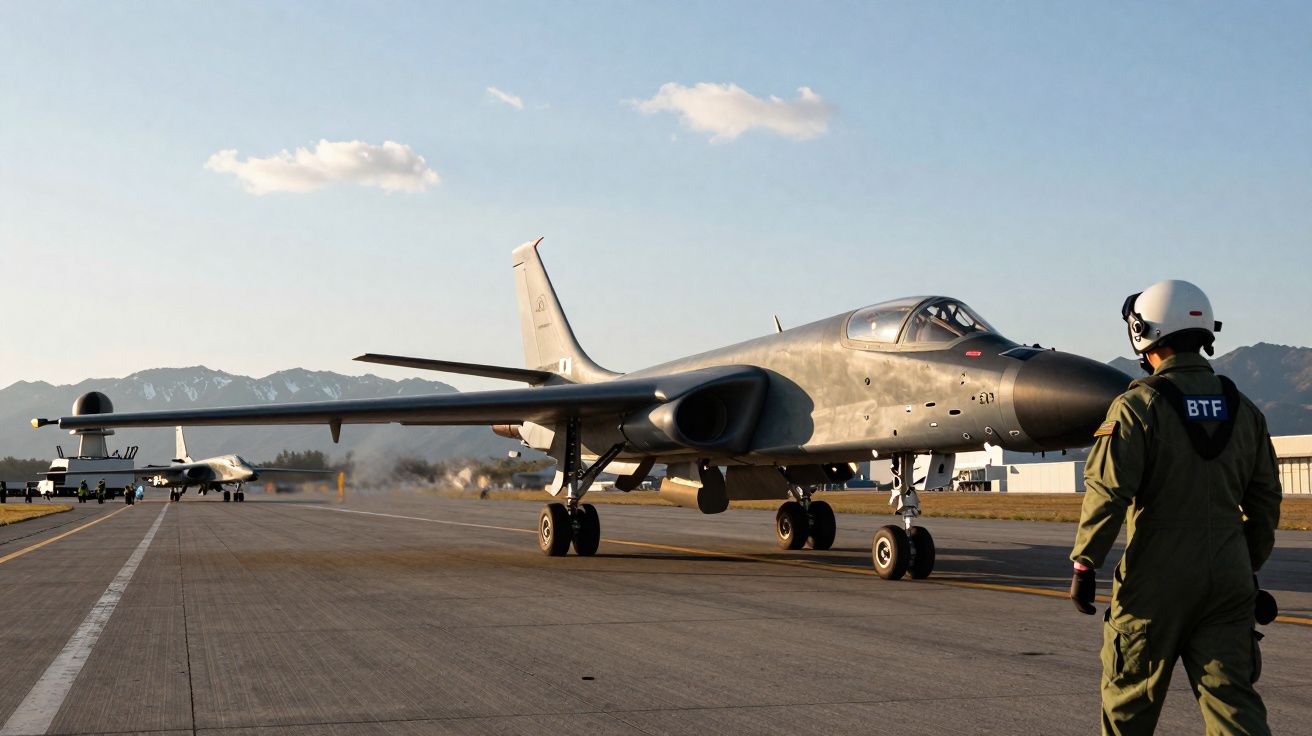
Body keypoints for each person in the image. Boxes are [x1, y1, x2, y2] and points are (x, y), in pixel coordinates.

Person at [1069, 279, 1282, 736]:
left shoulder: (1137, 406)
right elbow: (1265, 502)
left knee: (1128, 708)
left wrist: (1085, 563)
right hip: (1228, 580)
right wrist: (1246, 565)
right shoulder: (1244, 410)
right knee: (1234, 708)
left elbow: (1108, 494)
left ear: (1144, 333)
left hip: (1154, 584)